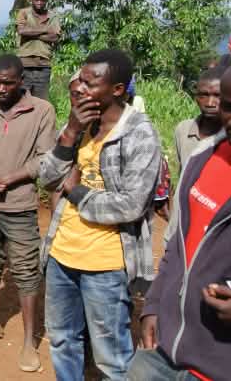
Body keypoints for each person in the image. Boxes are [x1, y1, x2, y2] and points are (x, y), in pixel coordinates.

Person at [128, 42, 231, 381]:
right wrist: (155, 305)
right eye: (229, 107)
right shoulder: (202, 158)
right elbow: (178, 244)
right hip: (164, 356)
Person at [38, 49, 162, 381]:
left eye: (91, 83)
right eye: (80, 78)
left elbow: (131, 205)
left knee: (113, 359)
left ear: (118, 90)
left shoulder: (140, 134)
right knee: (63, 341)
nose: (79, 87)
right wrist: (69, 134)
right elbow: (48, 176)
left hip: (105, 266)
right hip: (61, 255)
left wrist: (77, 192)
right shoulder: (79, 123)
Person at [0, 55, 56, 372]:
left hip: (18, 206)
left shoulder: (42, 111)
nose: (1, 88)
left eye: (8, 82)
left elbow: (45, 160)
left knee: (26, 271)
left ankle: (29, 342)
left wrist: (8, 180)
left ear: (21, 82)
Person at [174, 66, 224, 172]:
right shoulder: (183, 130)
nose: (210, 103)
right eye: (204, 95)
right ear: (196, 98)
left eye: (217, 96)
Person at [15, 0, 60, 100]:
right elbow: (22, 31)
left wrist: (32, 32)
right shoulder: (24, 13)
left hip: (43, 65)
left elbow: (54, 37)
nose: (39, 2)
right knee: (21, 100)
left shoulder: (53, 16)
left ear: (46, 0)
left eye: (42, 0)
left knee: (41, 102)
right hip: (24, 64)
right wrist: (45, 30)